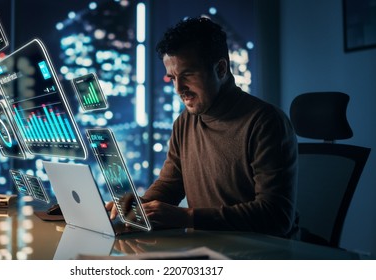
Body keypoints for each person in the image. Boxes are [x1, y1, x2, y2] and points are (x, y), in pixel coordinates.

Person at [107, 16, 299, 239]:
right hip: (210, 247)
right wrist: (139, 207)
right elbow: (170, 185)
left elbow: (277, 217)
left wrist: (186, 217)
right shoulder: (185, 121)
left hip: (264, 254)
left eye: (187, 75)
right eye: (172, 78)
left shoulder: (266, 122)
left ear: (220, 69)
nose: (179, 88)